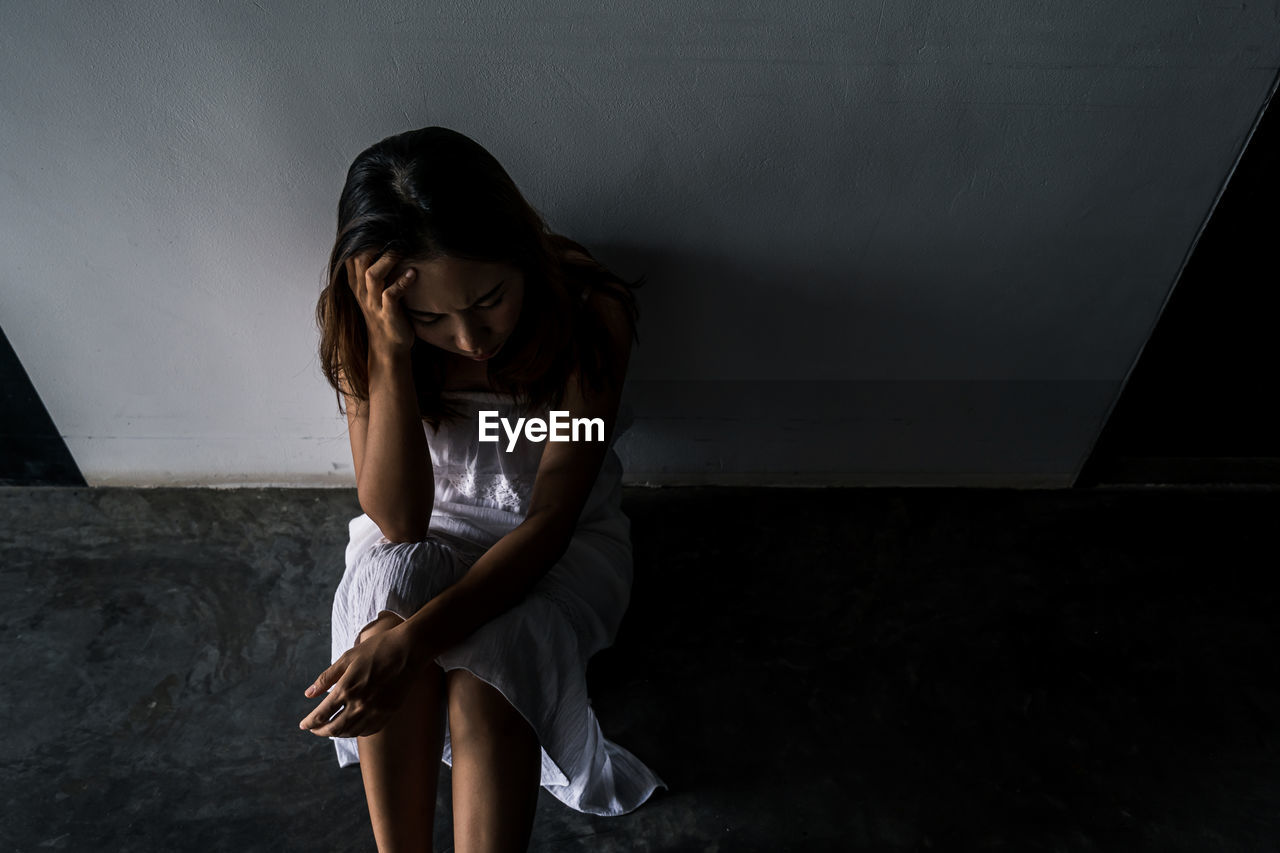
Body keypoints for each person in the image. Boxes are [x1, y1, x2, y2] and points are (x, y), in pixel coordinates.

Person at [301, 126, 667, 852]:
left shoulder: (590, 313)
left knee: (496, 650)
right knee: (388, 581)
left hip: (556, 545)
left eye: (489, 299)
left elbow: (553, 520)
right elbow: (400, 517)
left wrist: (416, 643)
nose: (470, 338)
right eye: (432, 317)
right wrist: (392, 354)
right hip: (429, 524)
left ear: (520, 255)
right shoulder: (366, 328)